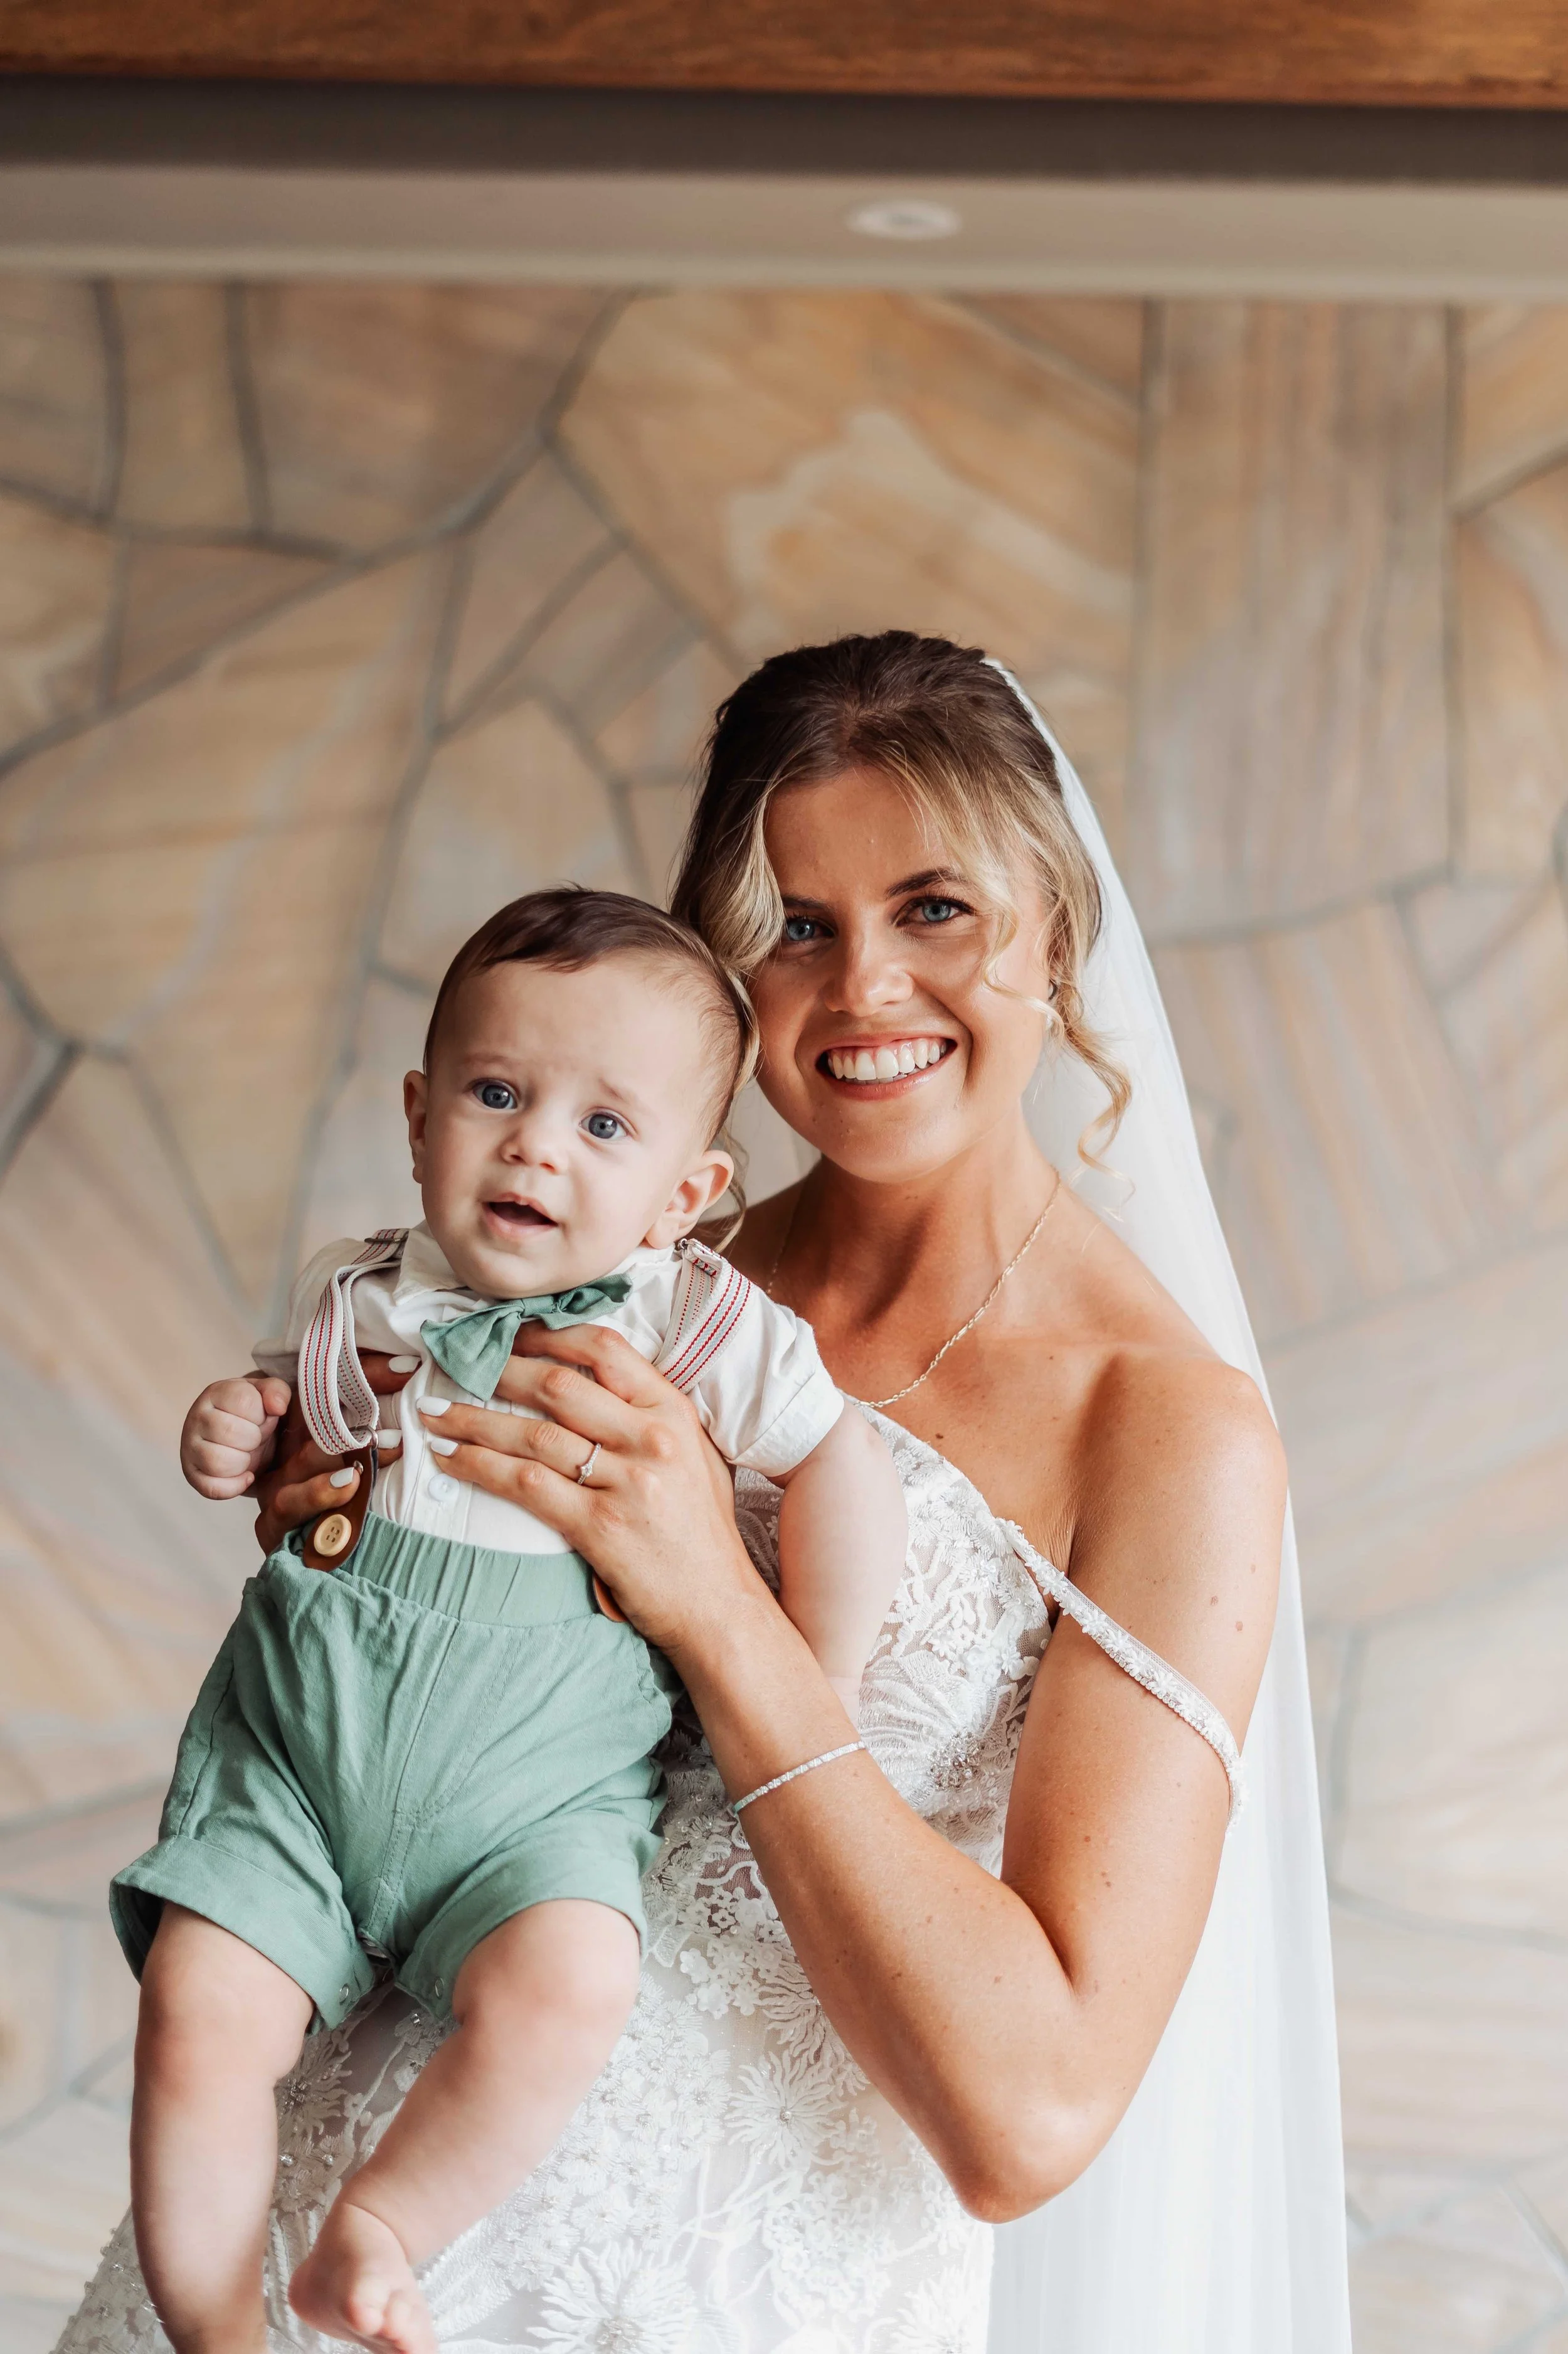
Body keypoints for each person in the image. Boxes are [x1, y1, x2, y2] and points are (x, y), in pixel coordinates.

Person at [65, 632, 1349, 2354]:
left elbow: (1027, 2121)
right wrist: (319, 1490)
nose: (866, 987)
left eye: (935, 910)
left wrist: (712, 1596)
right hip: (303, 2239)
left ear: (1053, 927)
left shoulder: (1163, 1427)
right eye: (796, 928)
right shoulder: (610, 1262)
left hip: (720, 2296)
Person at [110, 890, 905, 2354]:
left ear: (683, 1193)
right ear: (419, 1118)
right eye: (495, 1093)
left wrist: (821, 1668)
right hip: (293, 1763)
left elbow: (837, 1457)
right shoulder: (360, 1293)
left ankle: (379, 2232)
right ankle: (218, 2331)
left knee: (570, 1984)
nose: (537, 1142)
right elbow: (291, 1431)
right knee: (196, 2014)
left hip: (530, 1799)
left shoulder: (691, 1322)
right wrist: (232, 1424)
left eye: (606, 1126)